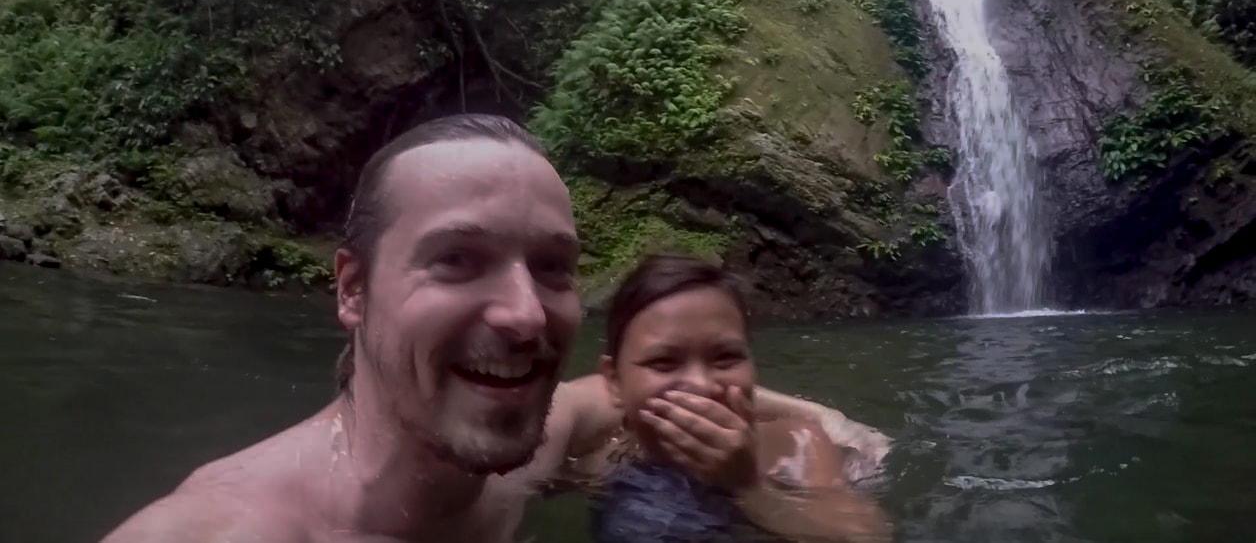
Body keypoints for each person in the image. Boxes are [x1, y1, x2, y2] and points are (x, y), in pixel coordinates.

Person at [100, 113, 890, 543]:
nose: (523, 314)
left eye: (552, 268)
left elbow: (621, 394)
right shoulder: (225, 531)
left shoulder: (520, 455)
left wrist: (812, 416)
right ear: (353, 288)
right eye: (456, 260)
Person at [566, 254, 892, 543]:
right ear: (615, 380)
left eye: (725, 357)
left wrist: (749, 487)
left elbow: (868, 535)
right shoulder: (600, 463)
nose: (700, 384)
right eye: (663, 361)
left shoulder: (796, 445)